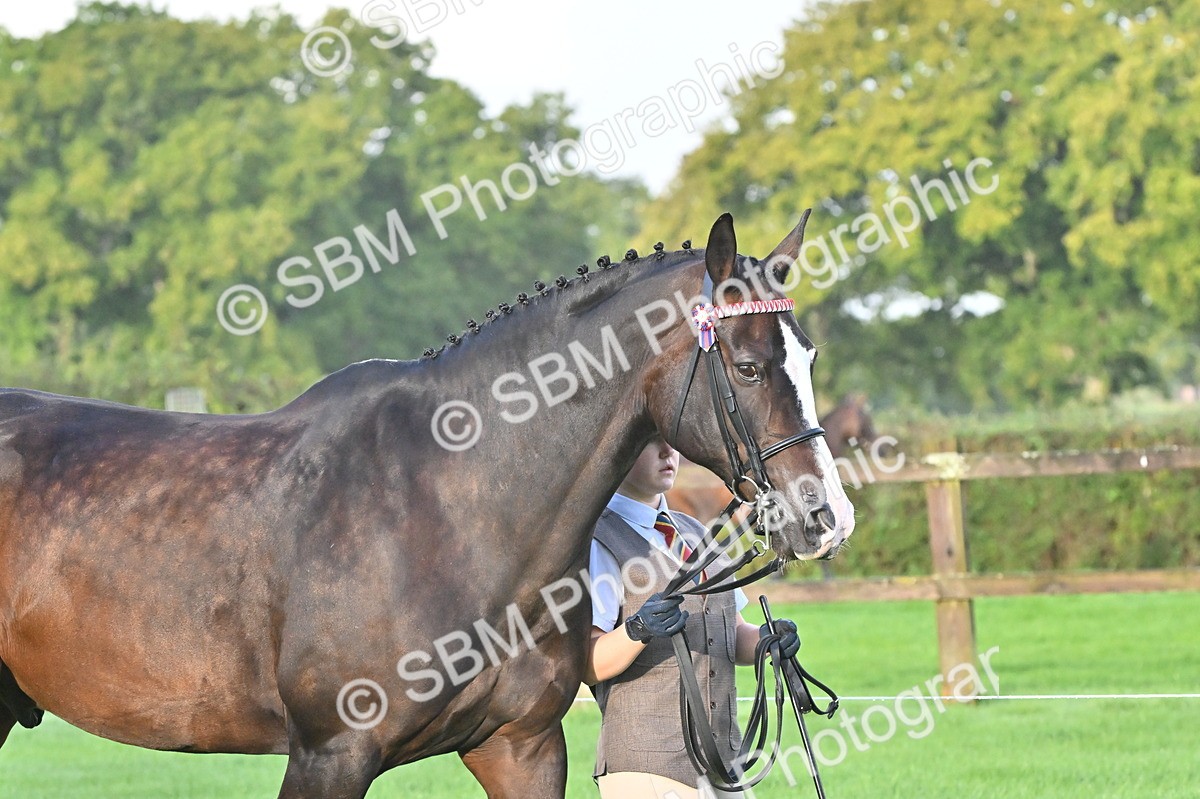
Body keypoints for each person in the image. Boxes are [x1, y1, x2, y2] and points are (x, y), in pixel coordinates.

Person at [584, 436, 801, 799]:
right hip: (647, 769)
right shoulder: (597, 542)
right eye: (650, 443)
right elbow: (586, 664)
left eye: (671, 442)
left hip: (722, 763)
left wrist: (766, 640)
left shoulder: (698, 532)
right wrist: (636, 630)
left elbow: (732, 632)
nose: (669, 453)